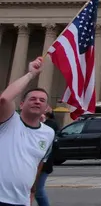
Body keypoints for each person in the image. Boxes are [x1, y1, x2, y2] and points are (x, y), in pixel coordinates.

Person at [0, 57, 56, 206]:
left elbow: (37, 163)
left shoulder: (48, 133)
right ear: (22, 103)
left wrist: (32, 191)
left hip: (21, 201)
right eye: (33, 99)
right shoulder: (9, 121)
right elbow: (4, 99)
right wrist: (31, 74)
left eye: (42, 100)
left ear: (46, 108)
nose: (37, 101)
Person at [35, 108, 59, 206]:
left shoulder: (51, 124)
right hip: (31, 163)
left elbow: (52, 143)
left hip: (44, 164)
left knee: (38, 190)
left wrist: (42, 122)